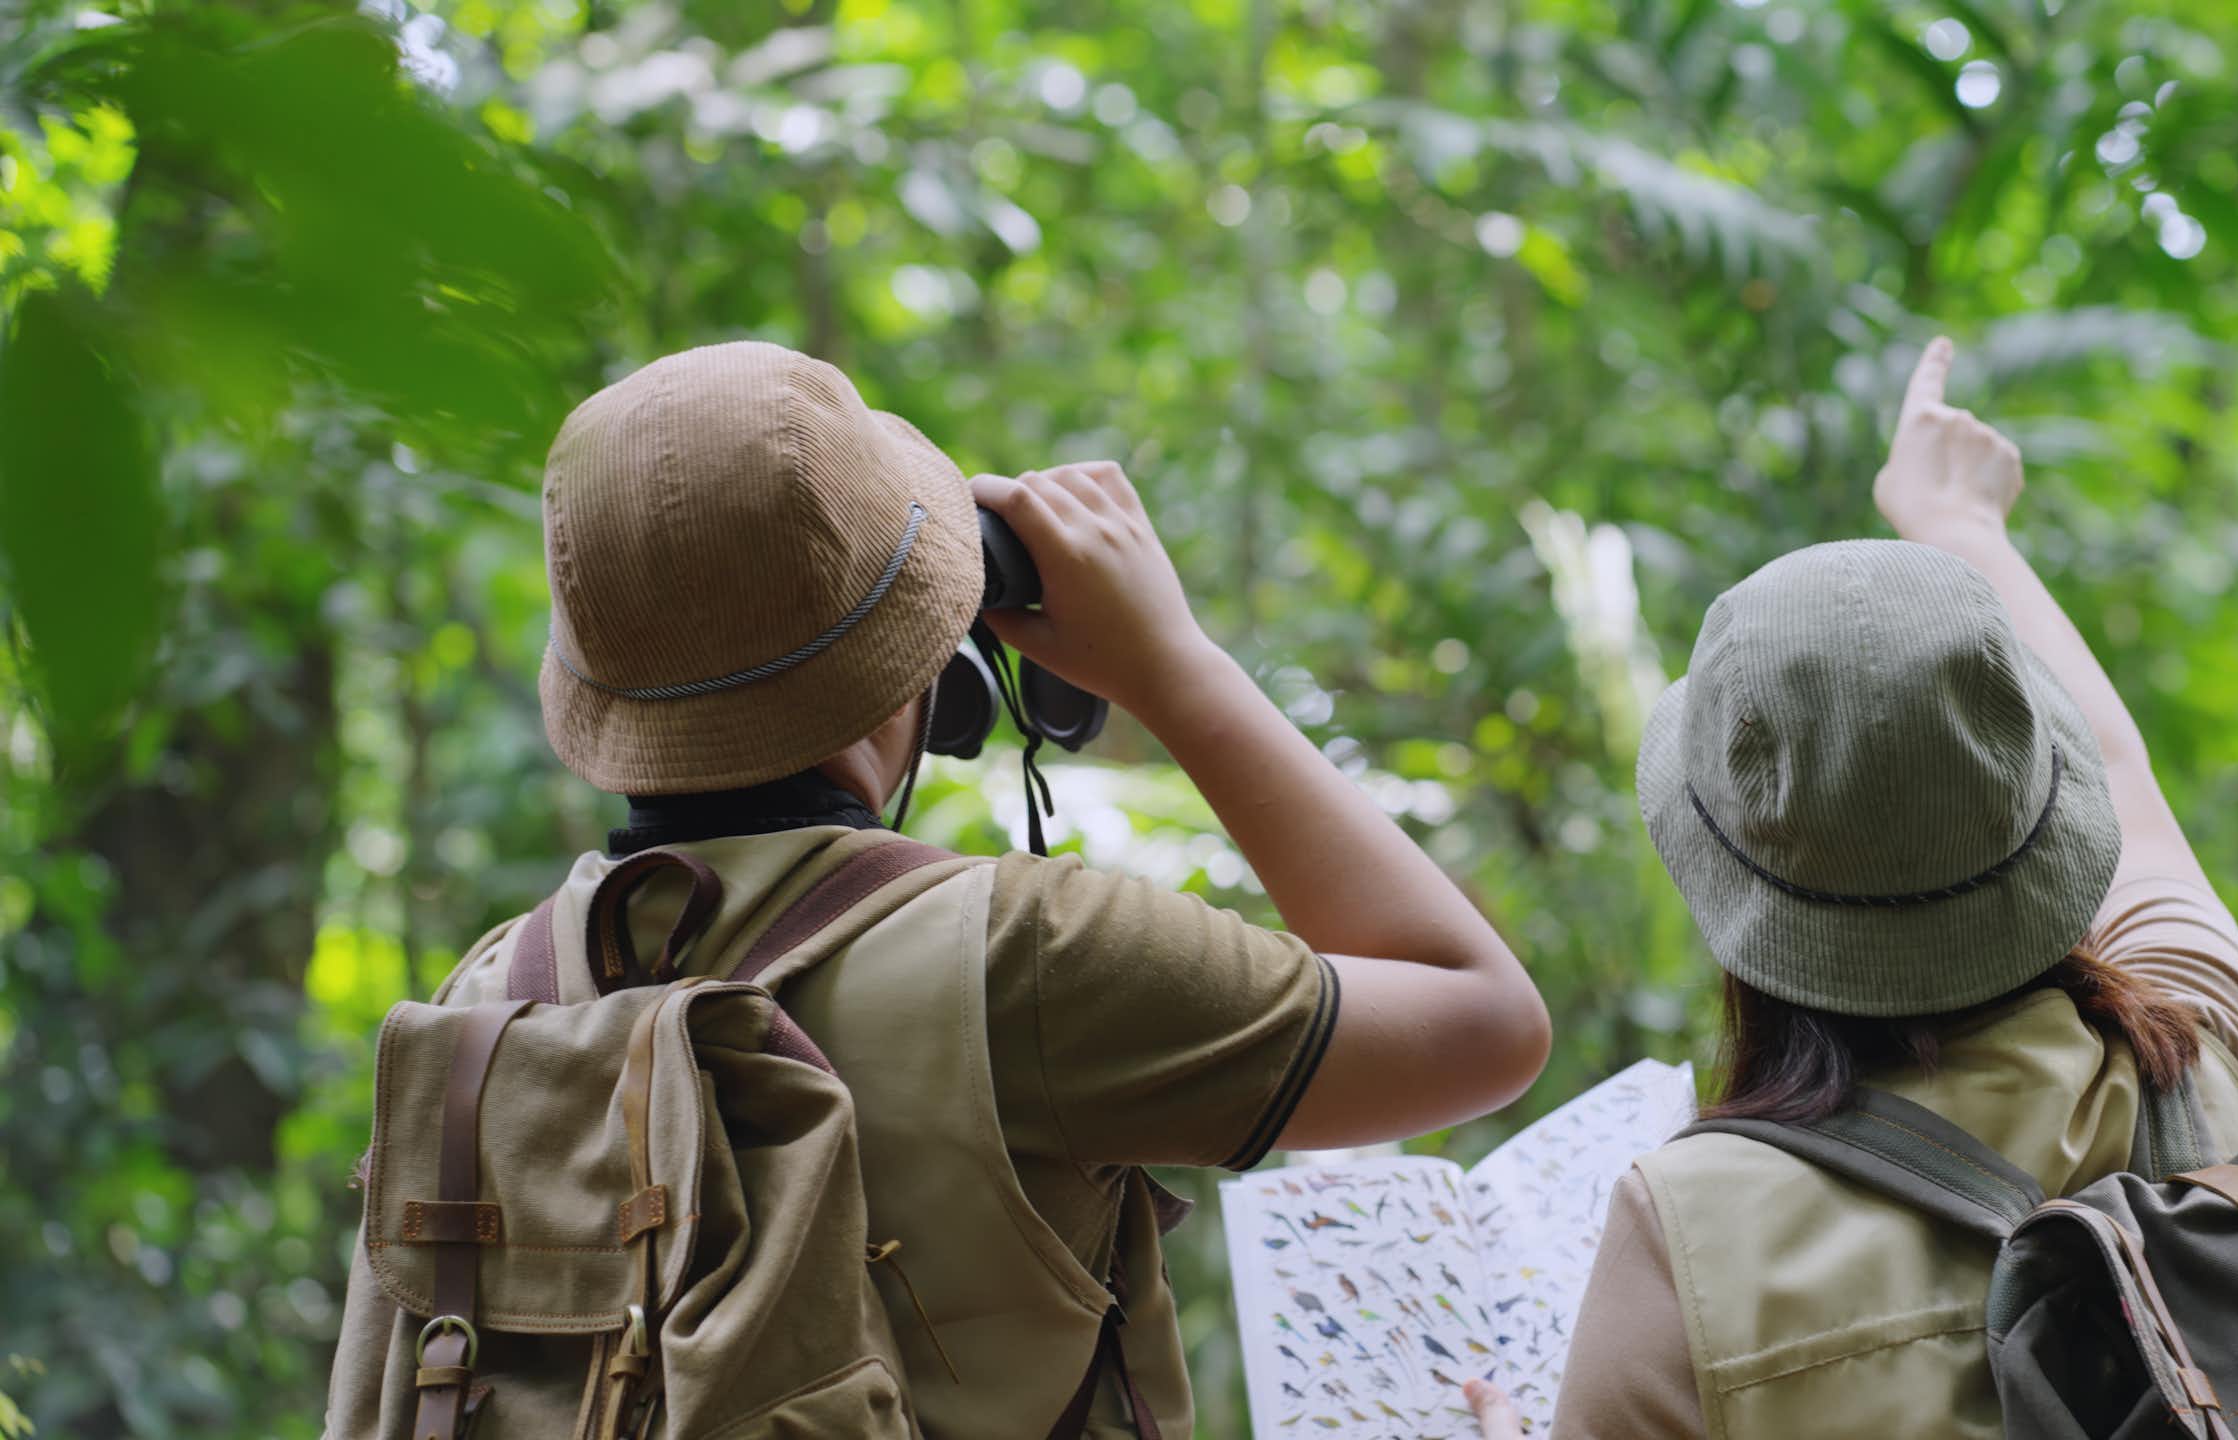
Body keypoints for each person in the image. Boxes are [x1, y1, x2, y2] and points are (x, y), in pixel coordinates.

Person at [423, 341, 1551, 1437]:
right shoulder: (1021, 957)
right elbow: (1485, 1020)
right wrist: (1171, 662)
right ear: (923, 674)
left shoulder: (495, 995)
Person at [1468, 337, 2238, 1438]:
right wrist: (1959, 522)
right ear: (2044, 825)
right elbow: (2119, 771)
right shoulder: (2205, 1057)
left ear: (1733, 885)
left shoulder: (1689, 1240)